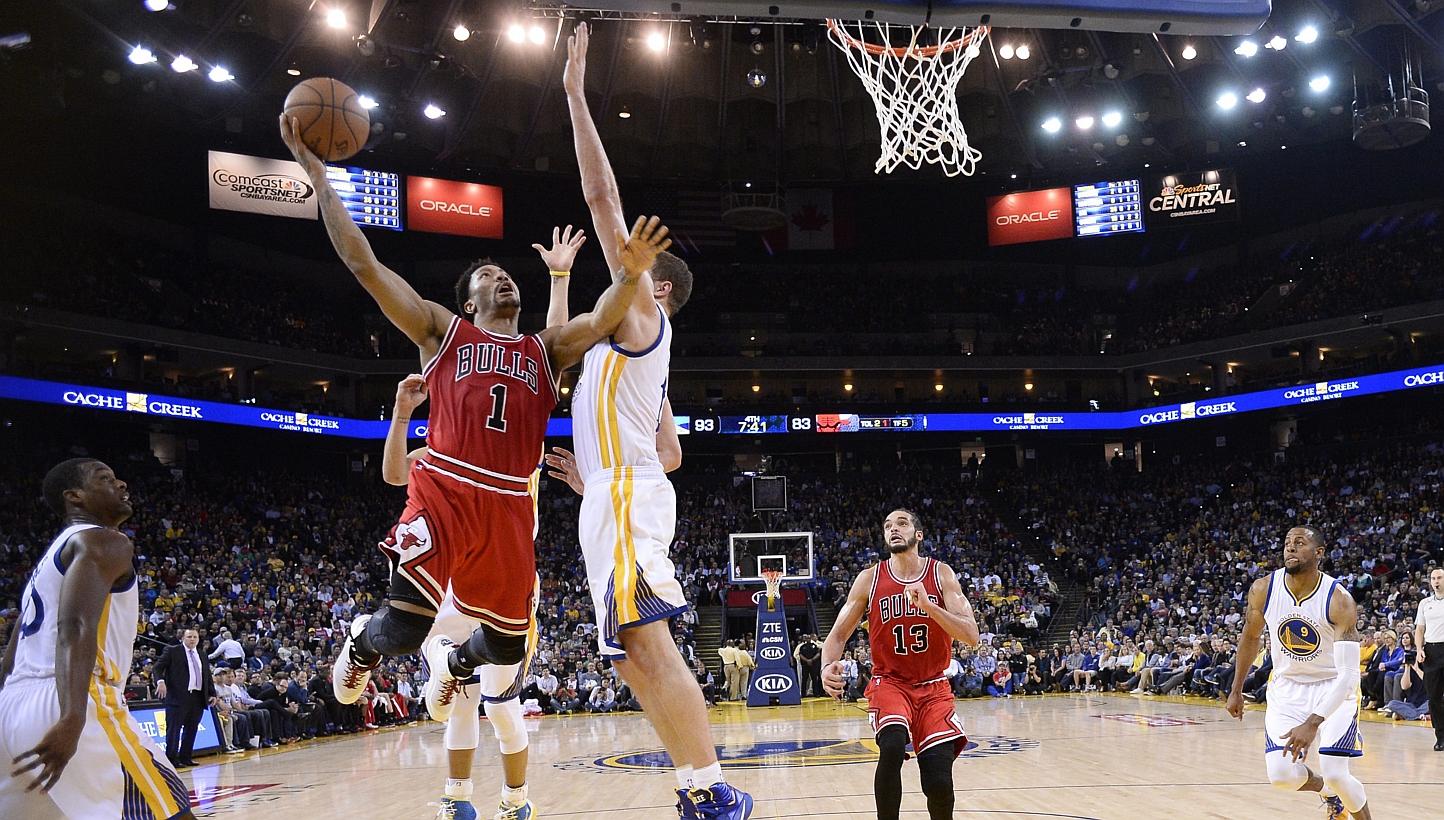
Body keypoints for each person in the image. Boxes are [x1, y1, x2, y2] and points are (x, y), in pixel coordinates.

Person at [278, 112, 668, 727]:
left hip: (510, 503)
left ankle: (458, 665)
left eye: (507, 274)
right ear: (470, 301)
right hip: (446, 485)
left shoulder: (547, 349)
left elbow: (601, 319)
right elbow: (366, 267)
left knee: (510, 647)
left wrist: (632, 271)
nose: (503, 277)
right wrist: (321, 182)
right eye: (489, 276)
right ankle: (360, 646)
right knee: (404, 630)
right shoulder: (441, 332)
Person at [504, 21, 749, 820]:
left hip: (624, 494)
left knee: (648, 645)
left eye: (632, 277)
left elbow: (603, 200)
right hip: (616, 492)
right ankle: (692, 787)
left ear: (657, 290)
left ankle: (712, 786)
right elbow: (672, 452)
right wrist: (597, 473)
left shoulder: (643, 315)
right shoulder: (625, 352)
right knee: (632, 659)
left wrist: (576, 93)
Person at [0, 458, 193, 818]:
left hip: (12, 708)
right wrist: (72, 717)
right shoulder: (104, 540)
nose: (120, 484)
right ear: (75, 497)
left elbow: (10, 658)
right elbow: (75, 625)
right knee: (170, 811)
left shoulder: (48, 561)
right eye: (105, 479)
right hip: (74, 698)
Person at [821, 509, 981, 820]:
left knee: (937, 781)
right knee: (893, 745)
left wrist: (930, 606)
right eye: (887, 526)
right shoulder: (869, 579)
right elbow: (838, 634)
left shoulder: (941, 574)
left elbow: (971, 635)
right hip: (890, 683)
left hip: (934, 688)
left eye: (902, 523)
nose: (893, 529)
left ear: (918, 535)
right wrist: (827, 666)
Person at [1227, 526, 1373, 820]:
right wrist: (1236, 688)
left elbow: (1347, 676)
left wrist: (1313, 723)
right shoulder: (1263, 589)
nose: (1290, 548)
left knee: (1335, 772)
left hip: (1333, 688)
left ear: (1319, 553)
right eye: (1287, 543)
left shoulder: (1339, 599)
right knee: (1281, 776)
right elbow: (1251, 637)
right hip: (1287, 688)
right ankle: (1327, 794)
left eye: (1299, 543)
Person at [153, 627, 217, 768]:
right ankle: (171, 759)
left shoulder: (201, 654)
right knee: (174, 730)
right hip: (177, 697)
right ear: (182, 638)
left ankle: (186, 757)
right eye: (189, 637)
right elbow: (157, 668)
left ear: (198, 639)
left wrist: (212, 693)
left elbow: (207, 676)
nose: (192, 639)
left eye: (195, 637)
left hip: (197, 697)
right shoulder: (172, 651)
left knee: (191, 729)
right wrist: (160, 681)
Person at [1413, 567, 1444, 751]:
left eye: (1439, 577)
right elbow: (1419, 629)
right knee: (1433, 697)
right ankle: (1440, 736)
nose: (1436, 581)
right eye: (1433, 578)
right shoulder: (1425, 603)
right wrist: (1418, 649)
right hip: (1431, 650)